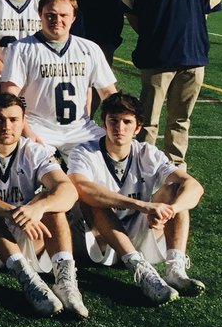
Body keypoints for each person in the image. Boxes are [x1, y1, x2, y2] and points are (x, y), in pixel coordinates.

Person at [0, 93, 89, 318]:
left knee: (50, 200)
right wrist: (11, 211)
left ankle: (66, 282)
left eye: (13, 120)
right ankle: (28, 278)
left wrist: (38, 208)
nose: (6, 126)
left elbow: (68, 191)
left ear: (24, 122)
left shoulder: (35, 150)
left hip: (26, 232)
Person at [67, 92, 205, 305]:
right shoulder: (85, 151)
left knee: (175, 189)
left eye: (127, 122)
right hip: (98, 239)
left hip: (137, 233)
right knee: (93, 199)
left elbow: (194, 187)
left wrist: (171, 210)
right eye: (113, 121)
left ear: (138, 128)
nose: (119, 128)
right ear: (104, 123)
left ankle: (175, 269)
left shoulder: (147, 153)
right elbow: (80, 186)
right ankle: (139, 269)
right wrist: (141, 205)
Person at [123, 0, 221, 167]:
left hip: (193, 58)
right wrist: (154, 35)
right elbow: (131, 11)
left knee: (180, 120)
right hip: (157, 58)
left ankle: (175, 169)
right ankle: (143, 168)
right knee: (148, 121)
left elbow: (206, 11)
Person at [0, 0, 117, 155]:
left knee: (112, 154)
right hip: (38, 127)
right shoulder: (21, 49)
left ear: (73, 17)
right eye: (51, 15)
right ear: (40, 15)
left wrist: (114, 125)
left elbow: (108, 93)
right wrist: (25, 131)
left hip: (80, 128)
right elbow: (9, 96)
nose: (57, 20)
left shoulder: (89, 49)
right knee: (37, 164)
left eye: (63, 15)